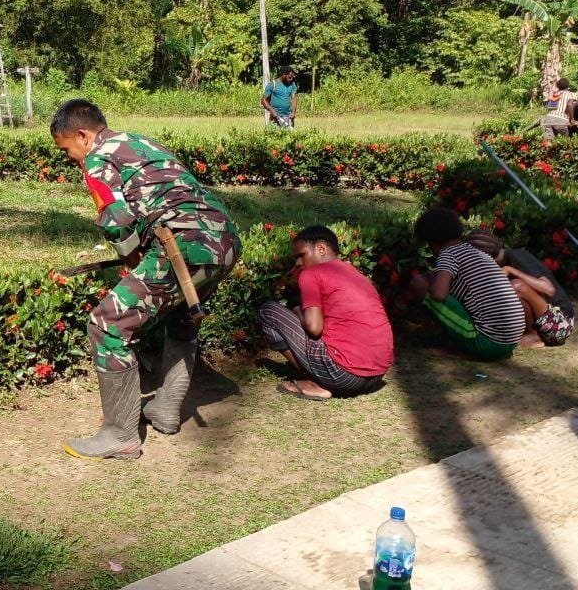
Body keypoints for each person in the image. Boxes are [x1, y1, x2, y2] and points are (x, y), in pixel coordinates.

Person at [50, 99, 241, 460]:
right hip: (226, 241)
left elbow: (117, 219)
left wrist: (130, 256)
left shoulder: (97, 158)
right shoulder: (141, 142)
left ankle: (119, 435)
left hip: (183, 245)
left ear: (82, 135)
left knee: (106, 323)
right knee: (181, 313)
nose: (71, 158)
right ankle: (166, 408)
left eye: (67, 150)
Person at [258, 226, 394, 401]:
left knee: (268, 311)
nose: (298, 263)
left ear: (321, 249)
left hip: (344, 377)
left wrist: (299, 312)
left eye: (301, 255)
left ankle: (315, 382)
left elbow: (314, 328)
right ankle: (322, 376)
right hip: (377, 376)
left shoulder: (311, 273)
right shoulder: (355, 274)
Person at [410, 208, 525, 360]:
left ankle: (456, 345)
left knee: (420, 283)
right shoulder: (475, 251)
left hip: (489, 342)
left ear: (431, 240)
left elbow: (439, 294)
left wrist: (431, 280)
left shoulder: (448, 255)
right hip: (511, 340)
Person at [466, 229, 574, 349]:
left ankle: (534, 335)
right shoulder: (497, 265)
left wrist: (512, 270)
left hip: (561, 324)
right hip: (546, 320)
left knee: (516, 286)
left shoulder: (516, 256)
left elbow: (549, 289)